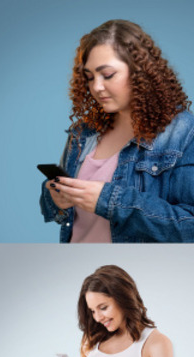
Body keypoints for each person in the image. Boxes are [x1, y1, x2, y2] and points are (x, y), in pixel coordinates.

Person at [41, 20, 194, 243]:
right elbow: (59, 215)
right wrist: (55, 198)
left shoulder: (183, 134)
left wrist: (110, 201)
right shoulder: (83, 133)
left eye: (108, 75)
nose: (96, 87)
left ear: (140, 73)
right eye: (90, 77)